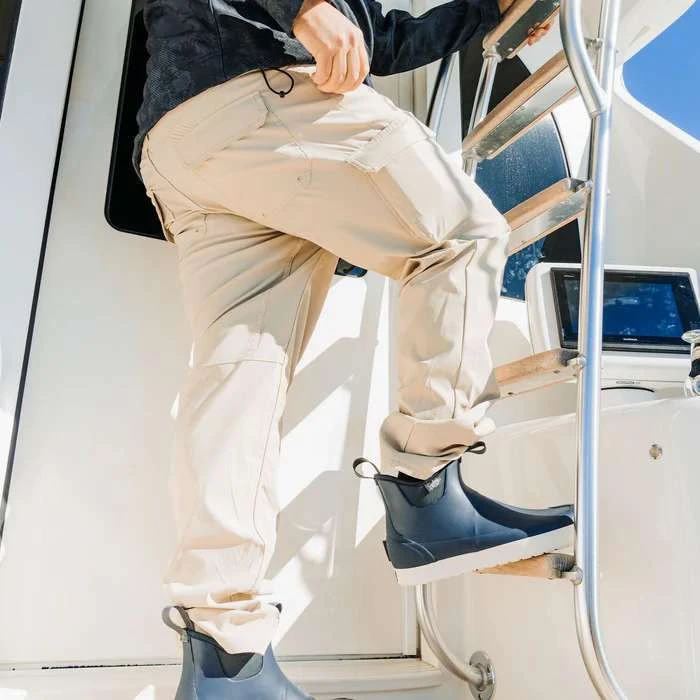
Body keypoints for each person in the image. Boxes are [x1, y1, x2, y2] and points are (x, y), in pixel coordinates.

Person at [134, 0, 568, 697]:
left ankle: (226, 654)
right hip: (259, 94)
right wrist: (304, 7)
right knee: (461, 236)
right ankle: (427, 489)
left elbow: (375, 41)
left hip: (183, 141)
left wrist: (486, 11)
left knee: (243, 379)